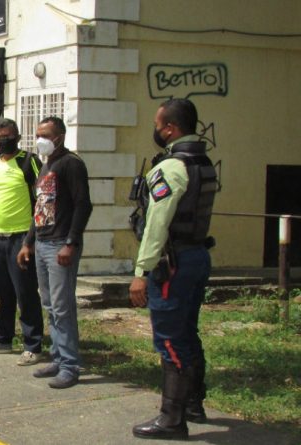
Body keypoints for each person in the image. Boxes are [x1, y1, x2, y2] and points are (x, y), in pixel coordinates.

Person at [129, 99, 217, 440]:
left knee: (169, 340)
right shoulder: (203, 162)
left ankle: (171, 419)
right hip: (197, 256)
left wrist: (141, 272)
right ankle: (193, 404)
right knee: (188, 333)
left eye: (157, 124)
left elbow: (157, 224)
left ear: (170, 128)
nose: (155, 130)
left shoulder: (171, 167)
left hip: (172, 264)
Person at [18, 116, 92, 389]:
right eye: (38, 134)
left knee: (62, 308)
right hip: (42, 243)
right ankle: (58, 358)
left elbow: (83, 205)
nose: (40, 140)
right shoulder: (46, 166)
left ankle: (70, 366)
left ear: (59, 137)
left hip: (60, 244)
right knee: (50, 305)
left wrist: (71, 243)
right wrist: (28, 242)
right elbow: (40, 208)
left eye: (46, 135)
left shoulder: (71, 164)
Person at [0, 118, 46, 367]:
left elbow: (41, 201)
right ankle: (3, 338)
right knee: (3, 293)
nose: (3, 141)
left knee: (26, 293)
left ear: (17, 137)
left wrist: (31, 240)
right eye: (0, 136)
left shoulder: (29, 161)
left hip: (21, 237)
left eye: (8, 137)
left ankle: (33, 345)